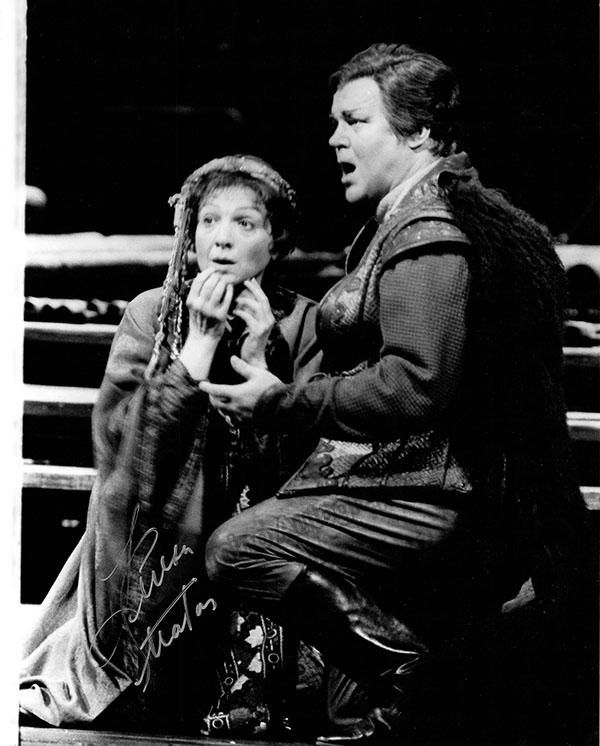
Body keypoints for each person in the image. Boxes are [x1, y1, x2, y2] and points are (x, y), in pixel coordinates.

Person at [201, 45, 596, 743]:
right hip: (397, 484)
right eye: (334, 122)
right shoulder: (403, 220)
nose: (335, 139)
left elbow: (415, 384)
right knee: (351, 716)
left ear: (419, 132)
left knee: (236, 550)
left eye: (355, 121)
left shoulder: (428, 231)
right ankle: (420, 691)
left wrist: (278, 401)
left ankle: (424, 680)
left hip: (421, 494)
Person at [19, 155, 321, 735]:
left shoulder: (303, 323)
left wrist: (262, 362)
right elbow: (130, 461)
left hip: (258, 527)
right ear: (189, 236)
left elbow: (302, 471)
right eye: (208, 221)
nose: (222, 239)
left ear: (276, 240)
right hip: (160, 529)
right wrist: (199, 347)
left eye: (244, 223)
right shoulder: (151, 313)